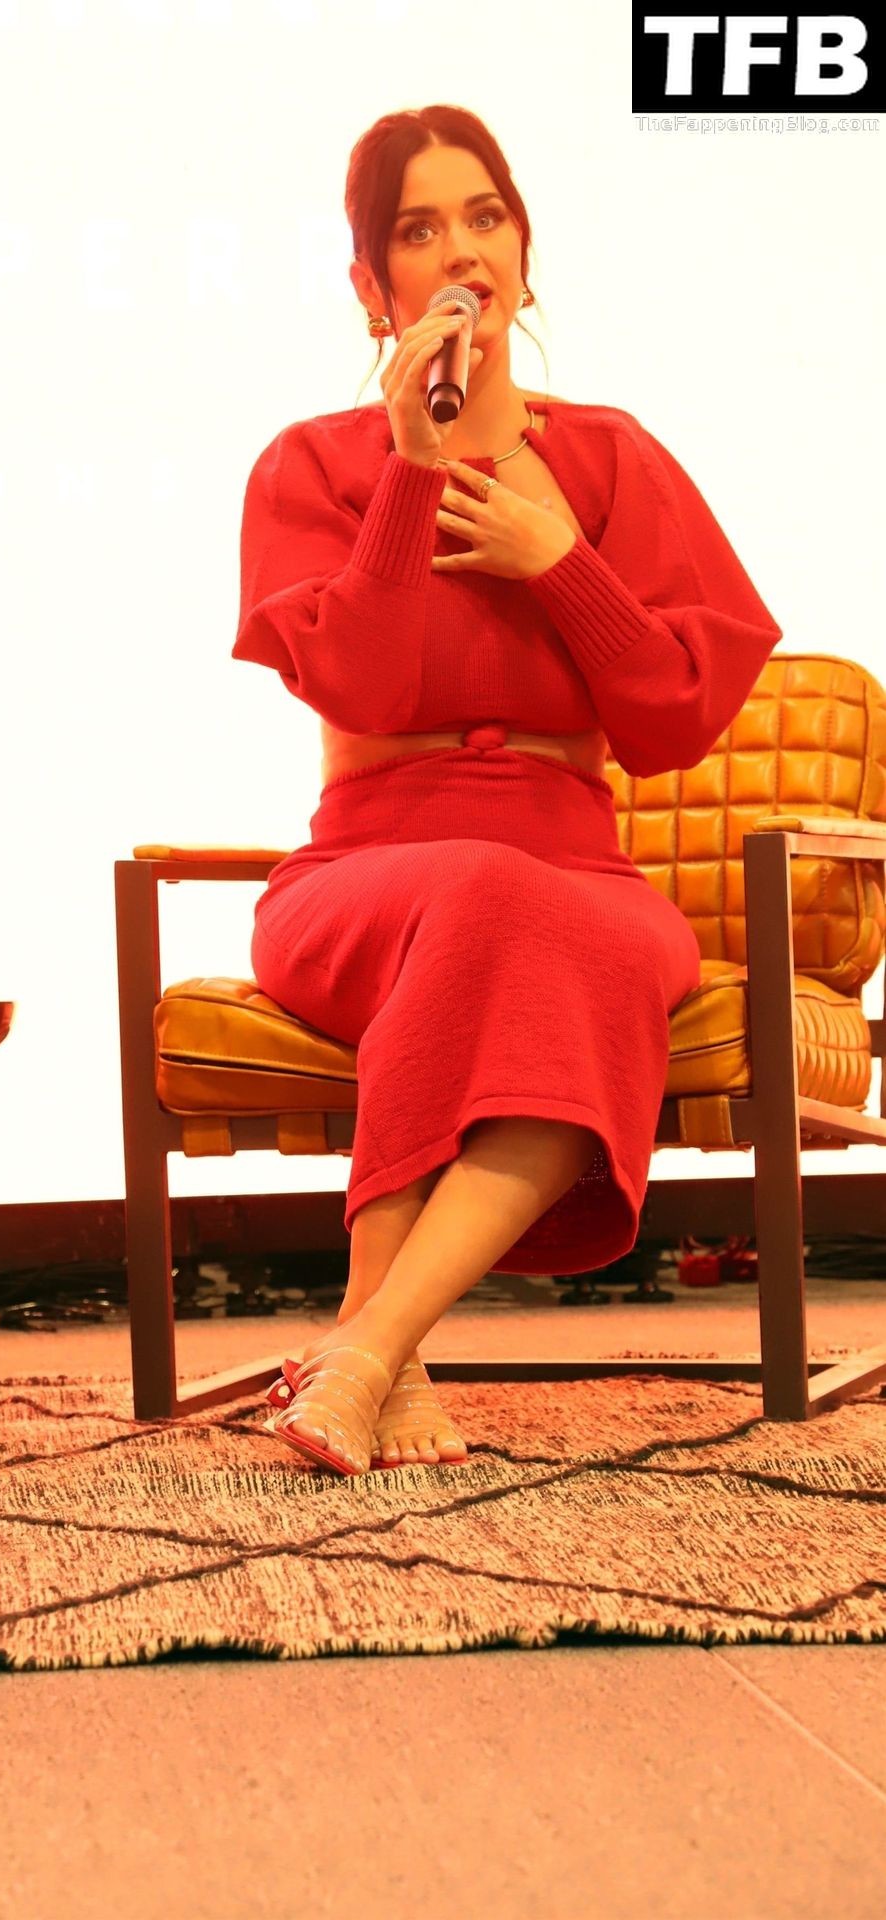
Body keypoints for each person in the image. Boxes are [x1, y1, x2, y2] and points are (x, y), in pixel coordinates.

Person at [232, 105, 783, 1478]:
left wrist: (560, 563)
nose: (461, 250)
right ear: (373, 284)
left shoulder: (611, 459)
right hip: (363, 878)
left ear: (525, 256)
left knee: (567, 938)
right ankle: (382, 1356)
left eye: (485, 217)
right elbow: (360, 688)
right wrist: (408, 476)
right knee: (481, 896)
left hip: (581, 872)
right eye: (418, 229)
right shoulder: (311, 464)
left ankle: (369, 1347)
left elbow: (671, 722)